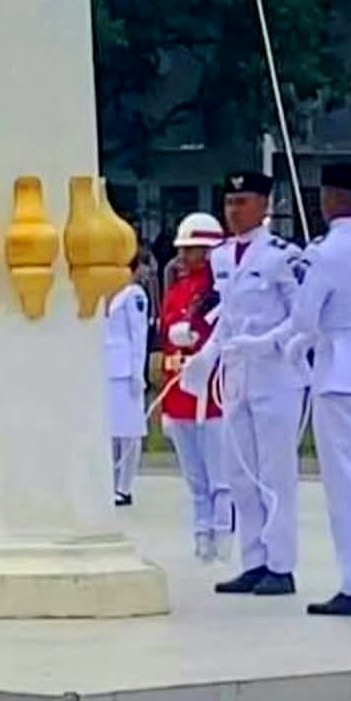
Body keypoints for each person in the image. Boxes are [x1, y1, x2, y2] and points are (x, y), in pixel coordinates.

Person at [181, 171, 304, 598]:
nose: (234, 211)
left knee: (275, 471)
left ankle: (281, 563)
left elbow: (302, 317)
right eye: (230, 202)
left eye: (244, 202)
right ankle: (253, 560)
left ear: (265, 205)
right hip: (236, 375)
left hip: (276, 374)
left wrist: (267, 343)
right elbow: (228, 319)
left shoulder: (283, 256)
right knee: (240, 472)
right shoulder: (221, 257)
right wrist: (207, 356)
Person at [283, 164, 351, 617]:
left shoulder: (326, 253)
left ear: (333, 198)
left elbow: (305, 319)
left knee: (345, 482)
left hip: (339, 369)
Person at [159, 212, 233, 564]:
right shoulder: (177, 289)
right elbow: (170, 335)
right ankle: (202, 534)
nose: (184, 257)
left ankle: (222, 534)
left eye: (192, 250)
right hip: (180, 392)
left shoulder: (220, 290)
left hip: (212, 394)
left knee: (219, 475)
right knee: (194, 477)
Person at [106, 256, 150, 508]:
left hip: (125, 370)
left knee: (130, 433)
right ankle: (110, 484)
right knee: (112, 432)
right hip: (108, 370)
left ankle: (125, 486)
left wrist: (137, 372)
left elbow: (138, 333)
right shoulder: (104, 292)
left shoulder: (133, 294)